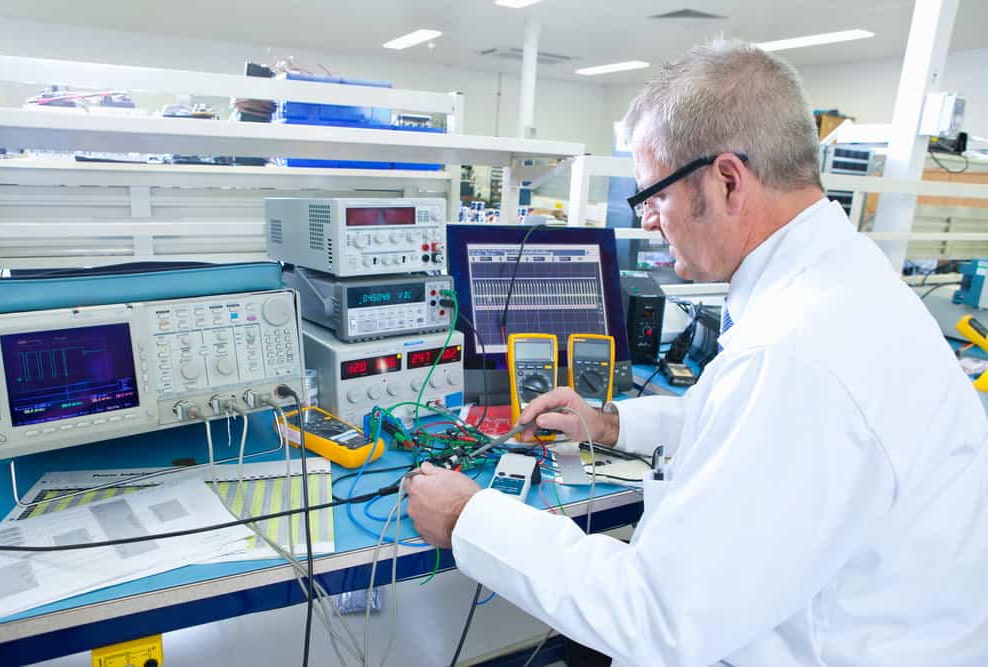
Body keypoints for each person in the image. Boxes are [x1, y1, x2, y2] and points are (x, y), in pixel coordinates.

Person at [404, 38, 988, 667]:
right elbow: (744, 426)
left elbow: (658, 619)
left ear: (728, 180)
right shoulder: (843, 284)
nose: (650, 221)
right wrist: (613, 423)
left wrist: (468, 517)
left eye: (653, 196)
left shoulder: (794, 353)